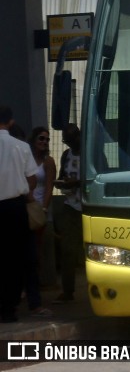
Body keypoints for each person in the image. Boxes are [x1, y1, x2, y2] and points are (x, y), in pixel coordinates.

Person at [0, 106, 38, 322]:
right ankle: (9, 308)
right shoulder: (21, 147)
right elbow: (32, 180)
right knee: (15, 258)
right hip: (15, 208)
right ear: (11, 122)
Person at [27, 127, 58, 314]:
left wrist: (44, 209)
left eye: (47, 139)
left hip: (40, 209)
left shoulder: (49, 162)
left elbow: (49, 187)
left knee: (38, 250)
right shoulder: (27, 159)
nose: (44, 142)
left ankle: (36, 288)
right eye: (41, 138)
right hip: (26, 207)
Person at [53, 123, 83, 304]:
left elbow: (97, 176)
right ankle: (68, 291)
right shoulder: (66, 155)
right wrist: (62, 183)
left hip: (88, 206)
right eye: (66, 141)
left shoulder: (90, 153)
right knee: (67, 250)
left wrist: (77, 182)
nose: (69, 144)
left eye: (71, 139)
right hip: (70, 206)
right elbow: (62, 175)